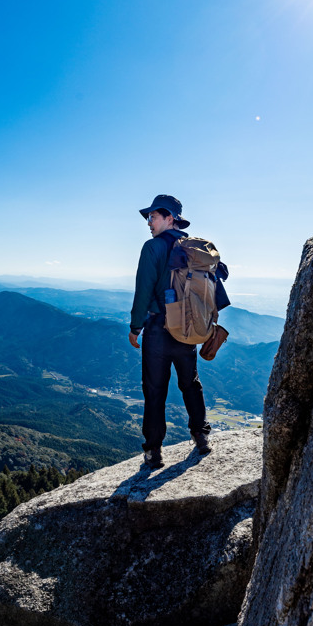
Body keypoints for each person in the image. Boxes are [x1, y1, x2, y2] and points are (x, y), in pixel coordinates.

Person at [129, 194, 211, 469]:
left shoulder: (153, 247)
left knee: (155, 390)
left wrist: (135, 327)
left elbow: (143, 290)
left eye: (152, 216)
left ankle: (154, 451)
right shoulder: (192, 247)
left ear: (169, 218)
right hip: (187, 327)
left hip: (158, 329)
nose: (148, 222)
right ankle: (201, 435)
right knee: (190, 382)